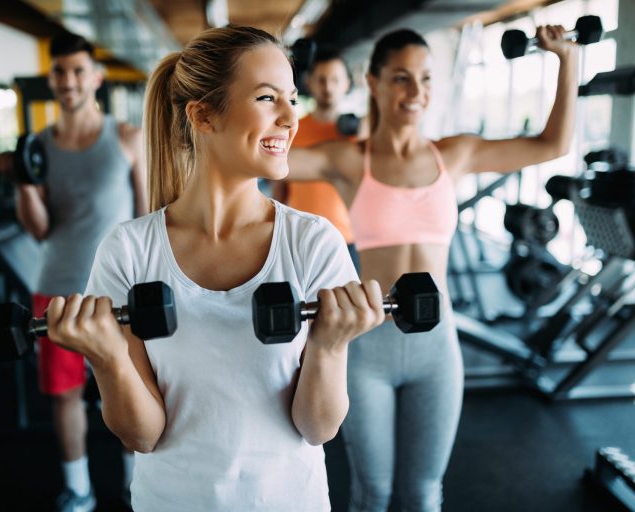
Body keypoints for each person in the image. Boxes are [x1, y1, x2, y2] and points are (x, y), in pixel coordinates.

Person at [43, 25, 385, 512]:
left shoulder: (313, 243)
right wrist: (107, 359)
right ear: (203, 116)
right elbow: (143, 435)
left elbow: (318, 428)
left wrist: (330, 345)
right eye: (269, 98)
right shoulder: (128, 252)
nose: (292, 117)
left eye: (292, 97)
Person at [285, 27, 578, 511]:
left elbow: (552, 144)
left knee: (424, 495)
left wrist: (567, 60)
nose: (416, 92)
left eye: (425, 78)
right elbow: (257, 158)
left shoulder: (455, 154)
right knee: (372, 494)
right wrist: (274, 87)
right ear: (373, 82)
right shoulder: (348, 160)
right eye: (401, 78)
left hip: (437, 352)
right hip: (369, 348)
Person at [1, 33, 147, 512]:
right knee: (64, 398)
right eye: (60, 72)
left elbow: (147, 219)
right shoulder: (38, 147)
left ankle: (134, 487)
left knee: (127, 390)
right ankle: (79, 490)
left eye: (78, 71)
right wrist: (24, 181)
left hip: (119, 294)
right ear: (51, 79)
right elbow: (39, 229)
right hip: (57, 290)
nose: (68, 80)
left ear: (96, 79)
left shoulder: (126, 138)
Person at [273, 48, 362, 270]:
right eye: (321, 79)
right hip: (302, 238)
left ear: (347, 84)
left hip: (349, 239)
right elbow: (279, 186)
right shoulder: (292, 129)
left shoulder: (359, 134)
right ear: (309, 83)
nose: (328, 87)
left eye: (335, 79)